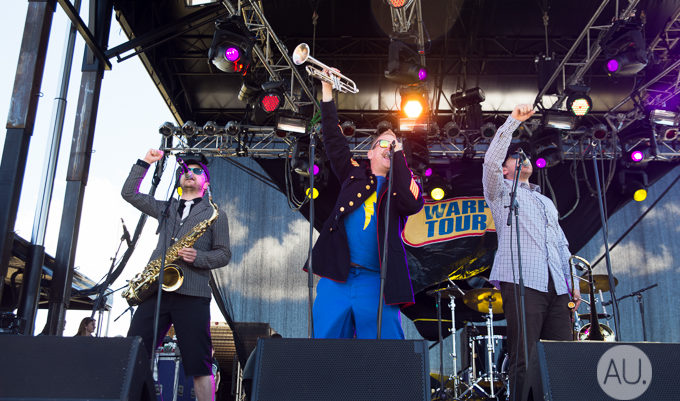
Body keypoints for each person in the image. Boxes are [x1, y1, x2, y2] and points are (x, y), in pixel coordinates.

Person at [306, 76, 424, 339]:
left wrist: (398, 155)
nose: (389, 147)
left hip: (376, 281)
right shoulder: (354, 173)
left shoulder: (400, 187)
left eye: (394, 145)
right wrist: (327, 91)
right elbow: (333, 140)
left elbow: (413, 203)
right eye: (383, 143)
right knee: (325, 346)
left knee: (386, 350)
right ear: (369, 153)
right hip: (338, 277)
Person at [482, 104, 581, 400]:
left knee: (560, 357)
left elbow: (561, 244)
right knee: (524, 357)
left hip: (557, 286)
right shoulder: (500, 193)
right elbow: (490, 162)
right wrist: (512, 122)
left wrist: (572, 281)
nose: (523, 158)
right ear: (505, 169)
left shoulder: (545, 201)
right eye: (516, 156)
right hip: (523, 281)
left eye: (525, 155)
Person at [122, 150, 231, 401]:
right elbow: (129, 193)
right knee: (133, 353)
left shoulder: (215, 214)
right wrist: (145, 163)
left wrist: (199, 257)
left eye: (196, 171)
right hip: (156, 290)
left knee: (199, 364)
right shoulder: (165, 208)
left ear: (206, 183)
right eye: (185, 170)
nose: (189, 173)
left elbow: (224, 254)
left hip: (193, 294)